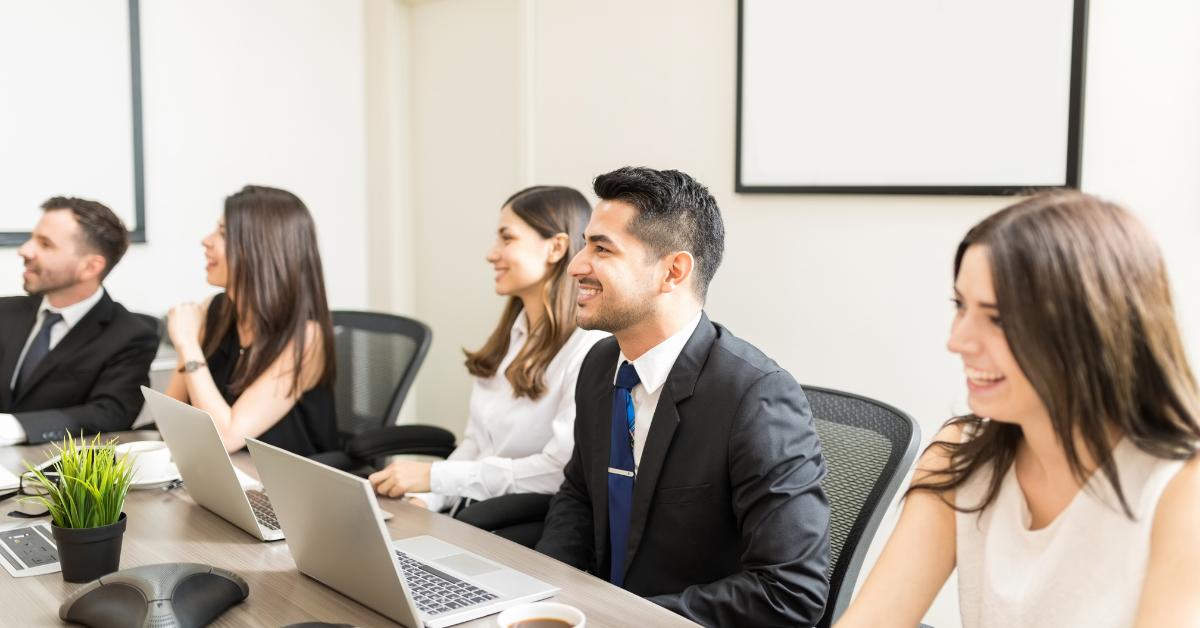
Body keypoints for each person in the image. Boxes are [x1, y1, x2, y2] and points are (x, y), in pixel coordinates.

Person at [834, 192, 1200, 628]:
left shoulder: (1180, 486)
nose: (958, 341)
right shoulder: (958, 456)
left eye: (998, 319)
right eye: (961, 306)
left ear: (1091, 329)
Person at [535, 167, 831, 627]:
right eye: (584, 243)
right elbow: (579, 494)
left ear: (673, 271)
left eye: (601, 248)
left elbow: (791, 591)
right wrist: (544, 595)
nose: (576, 265)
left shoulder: (755, 398)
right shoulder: (599, 365)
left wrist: (624, 619)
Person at [368, 186, 608, 522]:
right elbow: (476, 444)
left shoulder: (589, 350)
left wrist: (436, 477)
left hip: (517, 524)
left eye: (506, 239)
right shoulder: (514, 335)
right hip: (465, 511)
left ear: (555, 248)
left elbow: (559, 470)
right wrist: (425, 499)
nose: (491, 254)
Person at [165, 185, 338, 455]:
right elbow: (171, 422)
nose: (206, 241)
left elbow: (226, 437)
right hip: (224, 478)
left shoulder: (307, 337)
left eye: (223, 234)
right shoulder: (214, 309)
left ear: (262, 247)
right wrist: (187, 345)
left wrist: (188, 344)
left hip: (284, 490)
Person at [0, 197, 159, 445]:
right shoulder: (4, 311)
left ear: (90, 267)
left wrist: (15, 427)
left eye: (45, 244)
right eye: (33, 238)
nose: (25, 250)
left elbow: (110, 414)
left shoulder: (131, 335)